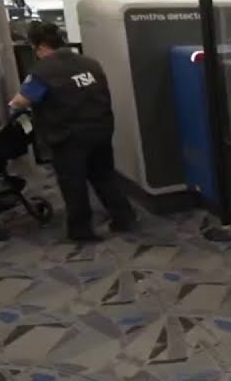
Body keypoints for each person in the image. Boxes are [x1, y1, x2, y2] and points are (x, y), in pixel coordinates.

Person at [8, 22, 137, 242]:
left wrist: (12, 102)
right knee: (104, 175)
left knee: (73, 183)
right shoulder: (90, 63)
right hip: (100, 128)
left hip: (68, 136)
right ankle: (124, 218)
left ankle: (81, 231)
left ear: (37, 46)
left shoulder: (42, 71)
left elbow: (21, 101)